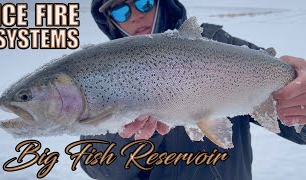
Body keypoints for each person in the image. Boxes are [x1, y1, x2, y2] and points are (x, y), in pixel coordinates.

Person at [80, 0, 306, 179]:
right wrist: (130, 136)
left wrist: (300, 94)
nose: (136, 15)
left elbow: (299, 128)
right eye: (120, 11)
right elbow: (99, 169)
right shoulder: (103, 72)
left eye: (144, 3)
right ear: (111, 21)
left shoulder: (220, 46)